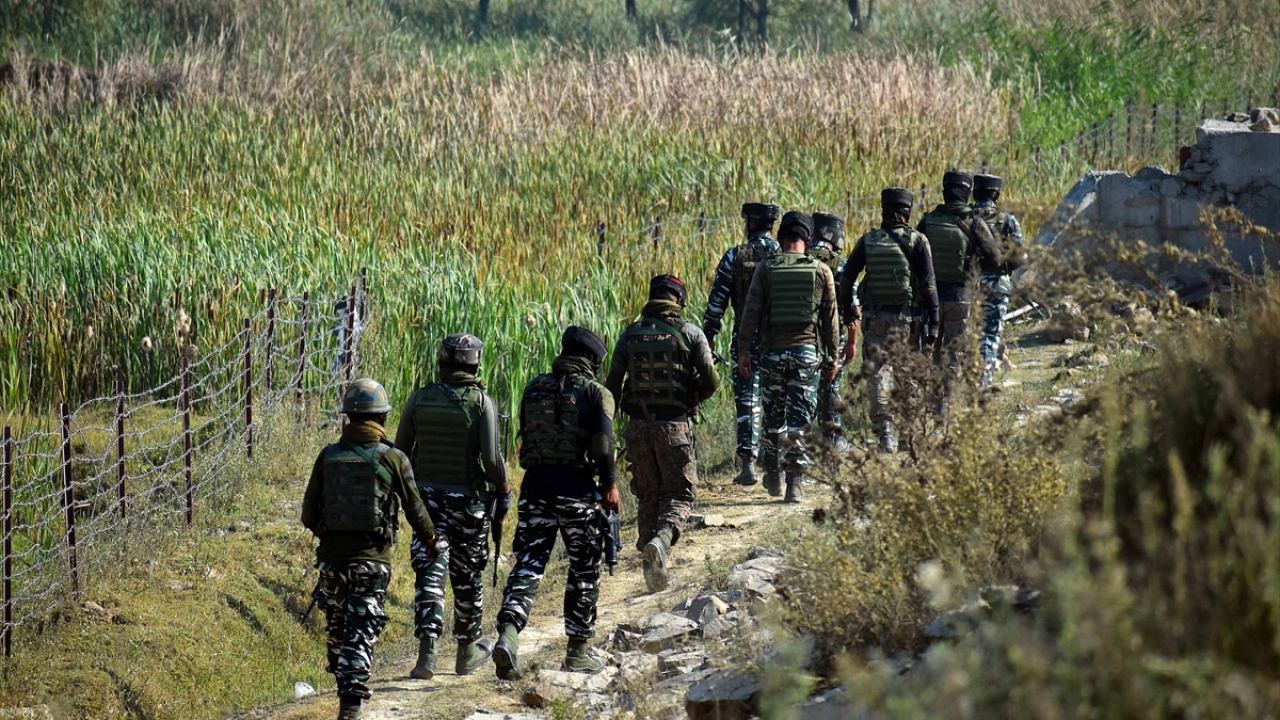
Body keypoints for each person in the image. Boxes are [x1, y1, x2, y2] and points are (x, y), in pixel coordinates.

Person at [301, 378, 437, 720]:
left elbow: (308, 515)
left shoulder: (328, 456)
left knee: (337, 628)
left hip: (331, 563)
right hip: (371, 563)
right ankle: (350, 705)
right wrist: (432, 540)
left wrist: (330, 532)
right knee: (360, 630)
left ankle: (346, 691)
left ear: (348, 417)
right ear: (382, 417)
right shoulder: (393, 458)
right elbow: (415, 509)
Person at [493, 326, 619, 680]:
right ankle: (577, 652)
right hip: (577, 490)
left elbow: (524, 440)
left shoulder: (534, 387)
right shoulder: (596, 393)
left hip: (535, 488)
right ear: (592, 360)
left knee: (528, 564)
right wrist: (610, 484)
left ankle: (508, 637)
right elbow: (603, 446)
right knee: (583, 568)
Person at [394, 334, 511, 680]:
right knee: (467, 574)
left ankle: (426, 657)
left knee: (430, 571)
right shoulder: (481, 403)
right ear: (475, 365)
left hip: (426, 503)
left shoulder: (419, 399)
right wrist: (503, 489)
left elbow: (400, 454)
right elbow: (492, 459)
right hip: (468, 504)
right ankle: (466, 653)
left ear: (441, 362)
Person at [604, 274, 719, 593]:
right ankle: (662, 541)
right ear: (679, 300)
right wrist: (693, 395)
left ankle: (653, 573)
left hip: (638, 427)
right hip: (675, 425)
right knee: (679, 494)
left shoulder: (629, 334)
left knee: (648, 494)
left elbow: (612, 387)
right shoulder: (690, 332)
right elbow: (712, 382)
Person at [736, 211, 840, 502]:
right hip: (806, 353)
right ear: (808, 238)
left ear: (781, 238)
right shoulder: (821, 270)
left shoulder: (766, 268)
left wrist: (743, 351)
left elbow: (750, 314)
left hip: (772, 354)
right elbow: (831, 320)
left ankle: (772, 471)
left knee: (773, 416)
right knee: (800, 418)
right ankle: (794, 482)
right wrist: (832, 358)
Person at [838, 188, 939, 454]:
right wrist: (934, 323)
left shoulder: (868, 240)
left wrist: (848, 311)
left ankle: (885, 435)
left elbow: (846, 279)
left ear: (884, 211)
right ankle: (907, 435)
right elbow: (929, 285)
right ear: (907, 213)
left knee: (877, 376)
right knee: (908, 376)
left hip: (875, 319)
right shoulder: (918, 240)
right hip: (909, 321)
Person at [703, 202, 781, 487]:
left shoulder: (735, 256)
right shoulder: (783, 255)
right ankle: (773, 460)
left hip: (744, 339)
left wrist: (709, 335)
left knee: (747, 400)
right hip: (777, 338)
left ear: (750, 223)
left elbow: (717, 302)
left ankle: (748, 464)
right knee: (775, 399)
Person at [915, 171, 1001, 370]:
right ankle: (948, 389)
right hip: (961, 296)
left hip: (930, 297)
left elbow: (914, 256)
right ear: (967, 193)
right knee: (955, 352)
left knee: (929, 350)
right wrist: (974, 270)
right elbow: (995, 259)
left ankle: (929, 388)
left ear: (945, 192)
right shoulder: (974, 222)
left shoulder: (928, 221)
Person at [971, 174, 1026, 387]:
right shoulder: (1007, 220)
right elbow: (1019, 257)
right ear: (995, 194)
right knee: (989, 337)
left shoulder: (964, 217)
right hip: (996, 287)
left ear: (974, 192)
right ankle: (982, 386)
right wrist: (1003, 270)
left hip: (965, 287)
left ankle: (965, 383)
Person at [807, 212, 854, 446]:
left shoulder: (801, 257)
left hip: (806, 336)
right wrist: (852, 341)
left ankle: (801, 439)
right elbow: (852, 307)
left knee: (806, 387)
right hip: (835, 335)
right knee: (831, 385)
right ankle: (834, 438)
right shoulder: (840, 264)